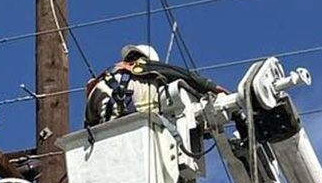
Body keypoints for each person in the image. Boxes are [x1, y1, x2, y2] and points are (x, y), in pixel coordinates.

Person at [84, 44, 227, 127]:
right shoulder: (150, 69)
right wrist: (210, 87)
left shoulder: (99, 83)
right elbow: (185, 76)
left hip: (109, 140)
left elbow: (89, 125)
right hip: (147, 133)